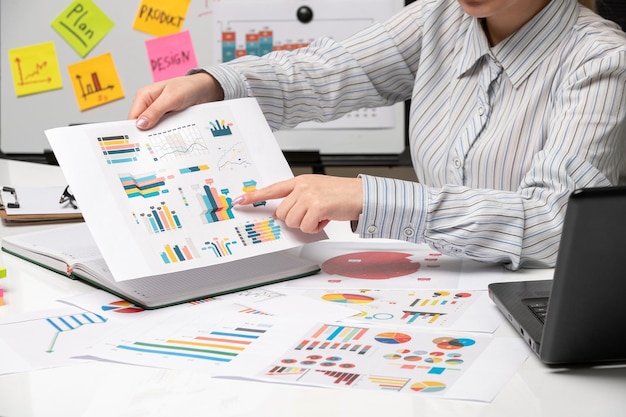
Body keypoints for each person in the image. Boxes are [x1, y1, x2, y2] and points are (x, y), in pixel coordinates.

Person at [129, 0, 626, 270]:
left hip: (543, 303)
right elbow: (325, 72)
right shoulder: (437, 18)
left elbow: (554, 225)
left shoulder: (602, 59)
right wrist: (213, 85)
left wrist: (371, 197)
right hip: (442, 287)